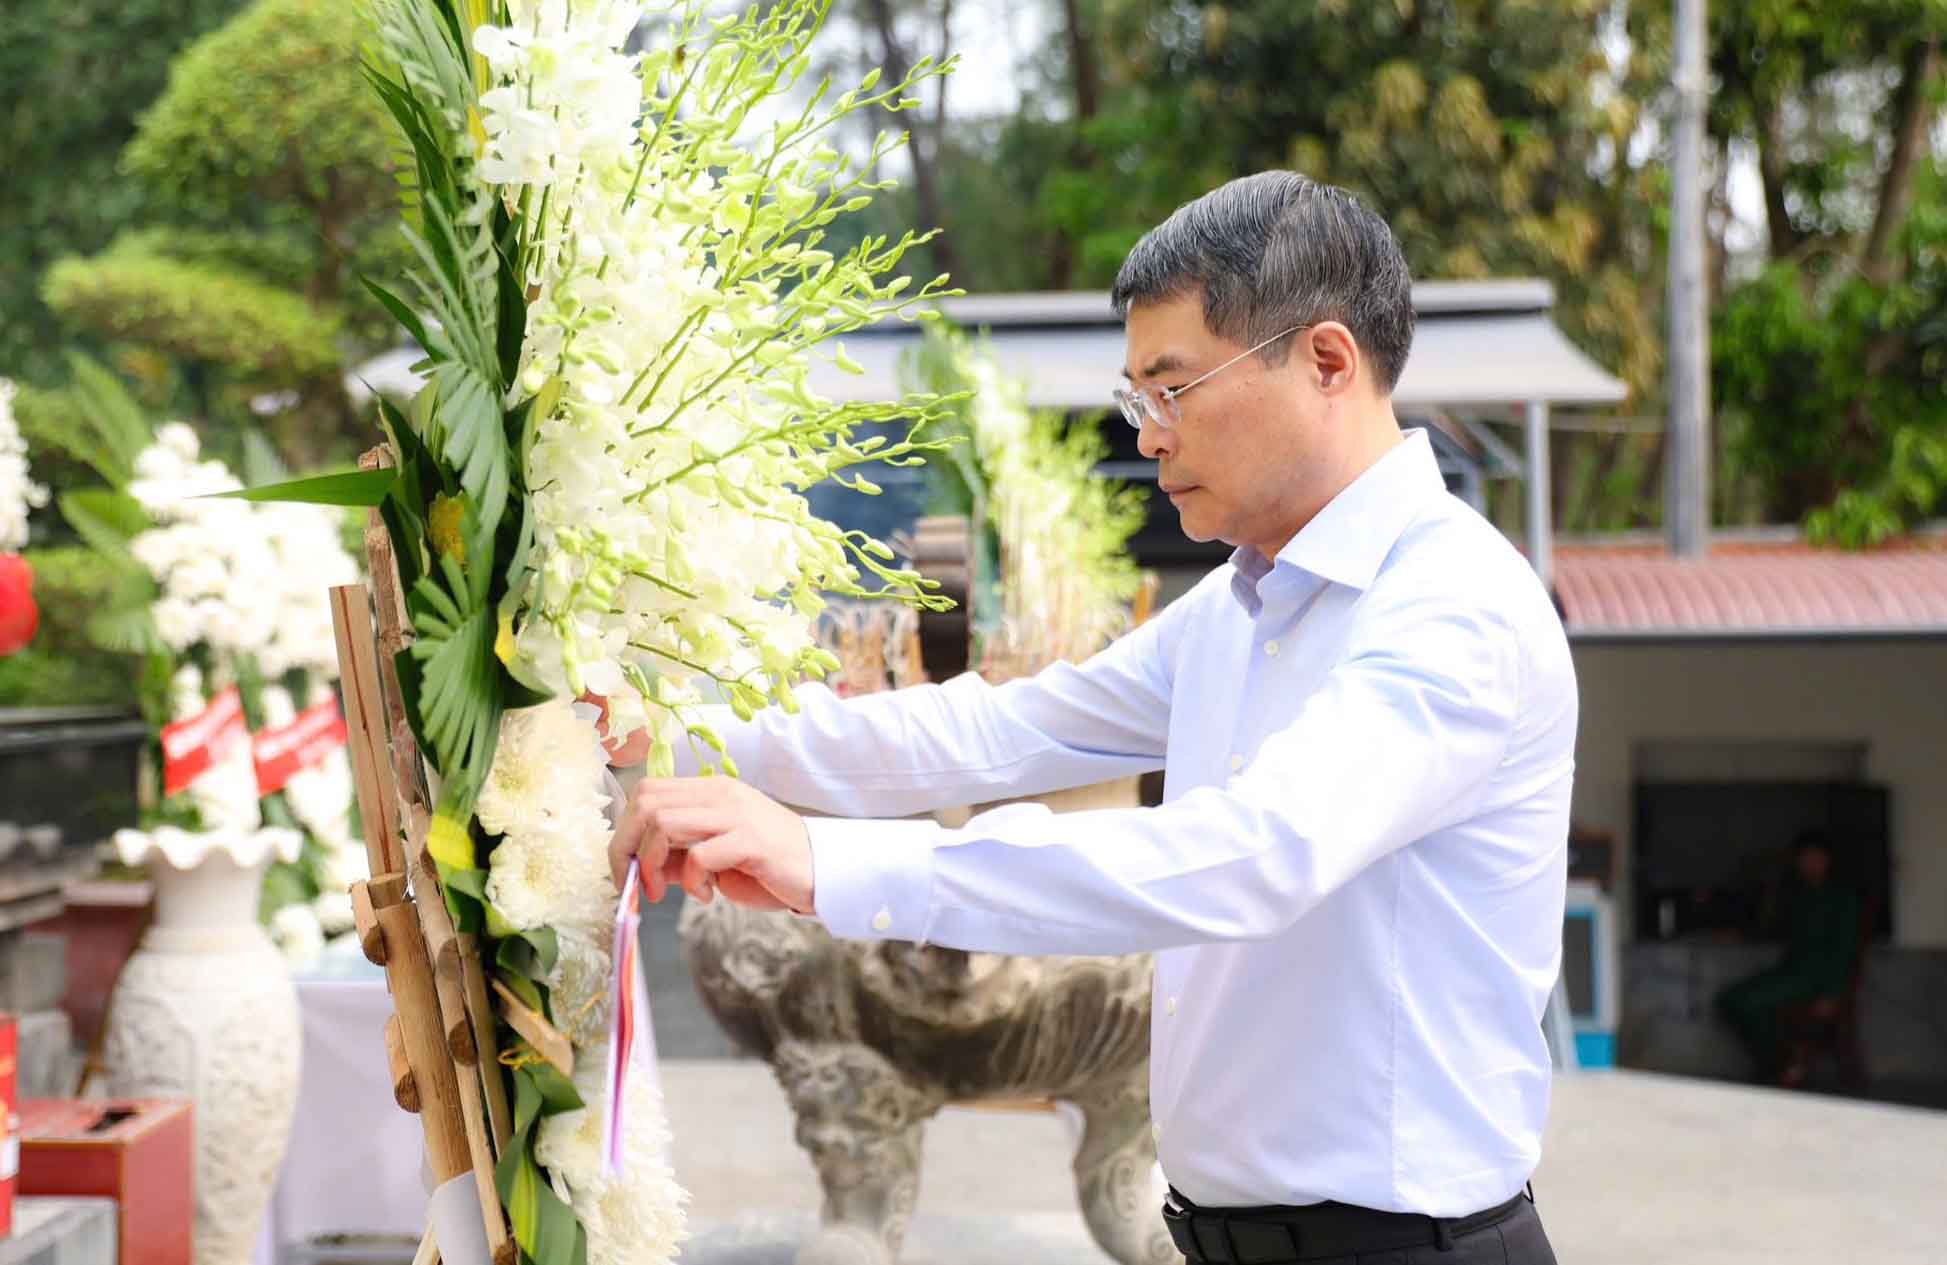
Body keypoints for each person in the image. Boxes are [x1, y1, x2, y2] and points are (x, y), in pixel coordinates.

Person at [606, 171, 1576, 1264]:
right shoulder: (1240, 603)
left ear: (1327, 360)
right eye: (1136, 398)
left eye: (1173, 387)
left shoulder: (1454, 608)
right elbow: (999, 731)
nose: (1149, 436)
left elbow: (1246, 855)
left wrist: (831, 860)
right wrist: (678, 727)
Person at [1716, 829, 1864, 1087]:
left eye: (1815, 857)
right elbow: (1774, 928)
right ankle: (1779, 1062)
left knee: (1744, 1001)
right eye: (1804, 858)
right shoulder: (1799, 893)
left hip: (1816, 979)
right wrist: (1738, 933)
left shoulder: (1843, 897)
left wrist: (1832, 993)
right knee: (1731, 1000)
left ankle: (1783, 1064)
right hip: (1791, 973)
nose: (1809, 864)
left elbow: (1847, 949)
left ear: (1827, 860)